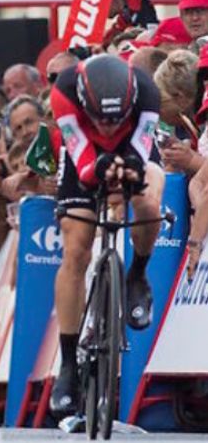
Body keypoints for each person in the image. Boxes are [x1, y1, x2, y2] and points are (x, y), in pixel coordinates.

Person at [48, 55, 164, 417]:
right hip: (82, 149)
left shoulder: (147, 92)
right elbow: (80, 153)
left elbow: (143, 147)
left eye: (116, 118)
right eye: (102, 118)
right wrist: (96, 167)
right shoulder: (64, 91)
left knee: (148, 201)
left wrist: (128, 165)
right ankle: (67, 364)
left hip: (135, 148)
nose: (110, 126)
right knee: (77, 245)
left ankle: (137, 274)